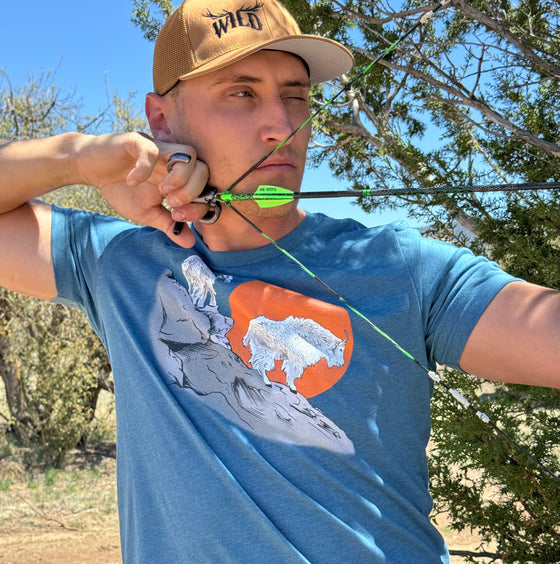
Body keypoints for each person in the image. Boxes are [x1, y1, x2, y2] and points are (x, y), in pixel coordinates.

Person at [0, 0, 558, 562]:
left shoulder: (401, 268)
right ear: (162, 120)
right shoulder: (116, 263)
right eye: (241, 93)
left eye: (296, 96)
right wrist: (79, 158)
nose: (284, 127)